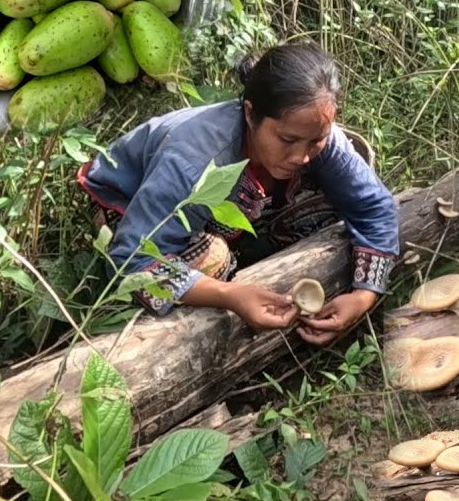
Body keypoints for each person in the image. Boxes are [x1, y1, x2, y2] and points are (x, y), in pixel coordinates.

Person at [77, 41, 399, 346]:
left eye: (315, 141)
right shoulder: (194, 162)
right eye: (287, 140)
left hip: (208, 195)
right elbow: (132, 261)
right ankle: (231, 259)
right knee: (212, 259)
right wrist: (228, 295)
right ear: (249, 113)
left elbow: (374, 206)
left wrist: (364, 295)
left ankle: (244, 244)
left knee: (331, 204)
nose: (301, 156)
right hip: (127, 203)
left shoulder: (316, 133)